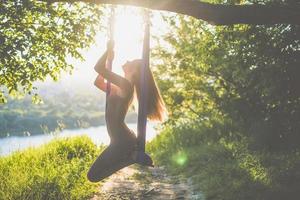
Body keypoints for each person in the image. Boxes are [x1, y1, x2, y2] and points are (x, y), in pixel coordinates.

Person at [87, 41, 167, 182]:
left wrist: (108, 50)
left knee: (93, 176)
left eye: (132, 62)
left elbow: (97, 67)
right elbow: (98, 82)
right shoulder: (121, 86)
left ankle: (131, 159)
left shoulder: (125, 85)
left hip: (122, 141)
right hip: (120, 139)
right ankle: (131, 157)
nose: (127, 60)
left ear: (135, 72)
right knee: (93, 176)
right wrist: (109, 61)